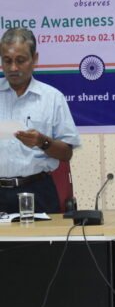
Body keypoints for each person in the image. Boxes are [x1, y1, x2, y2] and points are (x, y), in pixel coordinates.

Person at [0, 27, 80, 214]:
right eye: (7, 60)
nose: (13, 68)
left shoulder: (52, 98)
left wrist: (42, 142)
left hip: (37, 192)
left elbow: (66, 154)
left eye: (20, 60)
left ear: (34, 59)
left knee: (39, 236)